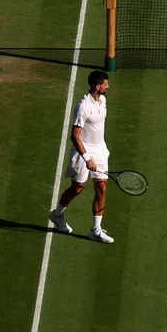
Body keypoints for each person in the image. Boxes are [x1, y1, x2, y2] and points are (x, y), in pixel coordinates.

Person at [48, 70, 115, 243]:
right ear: (97, 86)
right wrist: (87, 159)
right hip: (83, 152)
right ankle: (57, 215)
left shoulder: (103, 100)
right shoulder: (83, 107)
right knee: (77, 188)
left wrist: (96, 155)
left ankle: (96, 230)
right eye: (106, 84)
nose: (108, 86)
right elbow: (75, 136)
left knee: (101, 187)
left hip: (100, 150)